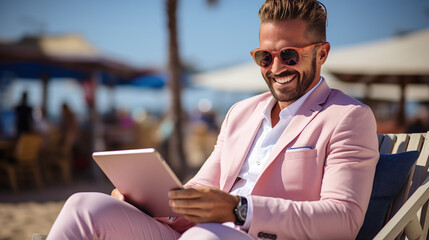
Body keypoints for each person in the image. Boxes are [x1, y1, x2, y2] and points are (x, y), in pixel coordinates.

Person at [47, 0, 379, 239]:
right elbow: (201, 188)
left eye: (289, 55)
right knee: (84, 207)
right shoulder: (241, 113)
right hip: (200, 234)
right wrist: (150, 201)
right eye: (265, 57)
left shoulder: (348, 118)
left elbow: (343, 219)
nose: (276, 68)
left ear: (321, 53)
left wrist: (239, 210)